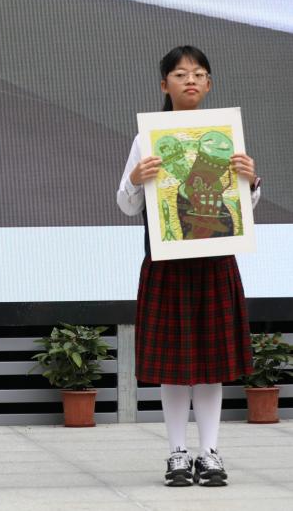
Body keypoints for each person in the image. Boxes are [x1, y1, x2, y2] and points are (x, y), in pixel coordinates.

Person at [117, 46, 261, 488]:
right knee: (174, 365)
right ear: (165, 85)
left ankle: (209, 452)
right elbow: (126, 204)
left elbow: (243, 205)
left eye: (199, 73)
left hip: (215, 260)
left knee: (212, 364)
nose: (191, 80)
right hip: (168, 264)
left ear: (209, 83)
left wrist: (251, 180)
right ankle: (177, 452)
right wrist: (136, 180)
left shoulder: (225, 135)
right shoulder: (146, 139)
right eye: (180, 74)